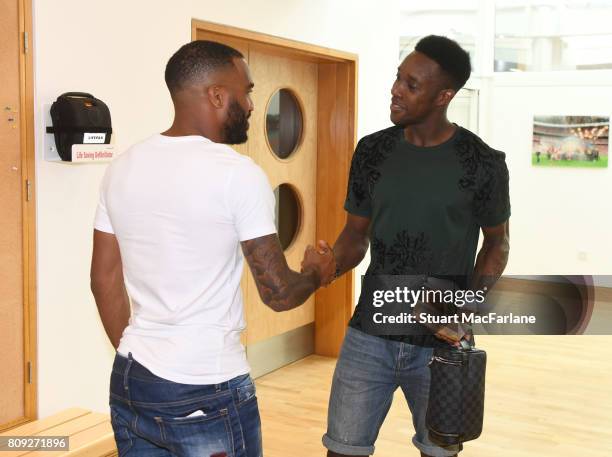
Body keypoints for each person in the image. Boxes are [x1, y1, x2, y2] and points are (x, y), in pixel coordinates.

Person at [90, 40, 335, 457]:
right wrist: (317, 272)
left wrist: (148, 355)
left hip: (134, 375)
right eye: (247, 91)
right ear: (218, 95)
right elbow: (277, 293)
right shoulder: (236, 175)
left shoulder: (122, 166)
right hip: (206, 385)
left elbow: (102, 279)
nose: (253, 105)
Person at [319, 35, 511, 457]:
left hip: (442, 343)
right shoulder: (372, 151)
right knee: (341, 450)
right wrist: (327, 266)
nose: (396, 90)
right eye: (397, 79)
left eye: (411, 84)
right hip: (369, 335)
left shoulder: (483, 163)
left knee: (439, 452)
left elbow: (497, 243)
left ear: (444, 95)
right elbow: (355, 236)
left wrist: (466, 304)